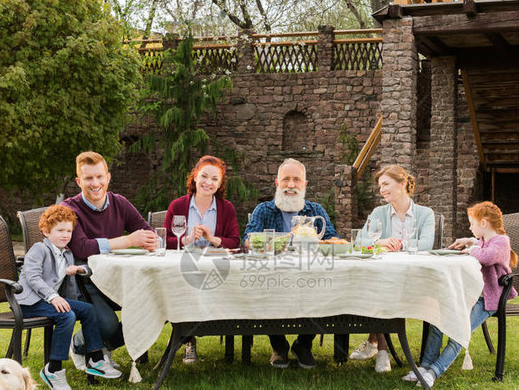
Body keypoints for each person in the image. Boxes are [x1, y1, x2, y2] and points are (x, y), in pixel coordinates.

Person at [405, 200, 519, 388]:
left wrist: (471, 249)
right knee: (437, 323)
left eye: (472, 224)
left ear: (483, 223)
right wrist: (471, 241)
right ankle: (424, 367)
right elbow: (482, 244)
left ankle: (434, 372)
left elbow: (488, 256)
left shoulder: (502, 242)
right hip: (470, 296)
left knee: (458, 333)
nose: (470, 227)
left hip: (487, 301)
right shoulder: (485, 241)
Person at [61, 151, 156, 369]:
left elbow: (147, 230)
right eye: (88, 178)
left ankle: (100, 350)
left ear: (108, 177)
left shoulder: (119, 202)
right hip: (84, 282)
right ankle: (78, 345)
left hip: (118, 278)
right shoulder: (70, 209)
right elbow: (82, 247)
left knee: (152, 311)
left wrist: (152, 240)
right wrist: (128, 240)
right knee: (110, 327)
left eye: (99, 177)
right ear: (79, 181)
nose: (95, 183)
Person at [16, 205, 121, 390]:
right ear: (46, 232)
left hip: (49, 302)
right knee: (67, 315)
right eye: (60, 230)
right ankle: (53, 369)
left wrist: (80, 270)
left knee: (88, 309)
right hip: (29, 303)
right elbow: (32, 277)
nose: (65, 235)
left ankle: (96, 359)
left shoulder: (67, 253)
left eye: (69, 231)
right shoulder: (39, 249)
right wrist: (52, 296)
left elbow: (86, 267)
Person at [243, 158, 338, 369]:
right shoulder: (264, 210)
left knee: (323, 289)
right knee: (265, 288)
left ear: (305, 184)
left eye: (297, 180)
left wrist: (316, 241)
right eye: (286, 179)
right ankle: (279, 346)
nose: (291, 184)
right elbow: (247, 240)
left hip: (309, 275)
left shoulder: (316, 210)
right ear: (277, 183)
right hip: (272, 276)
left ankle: (303, 344)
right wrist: (275, 243)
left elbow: (332, 240)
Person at [349, 165, 435, 373]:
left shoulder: (425, 214)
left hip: (414, 277)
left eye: (386, 184)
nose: (382, 190)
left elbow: (426, 244)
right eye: (380, 186)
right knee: (377, 286)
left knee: (379, 288)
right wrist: (380, 243)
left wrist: (401, 244)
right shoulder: (379, 213)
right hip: (384, 274)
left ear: (403, 183)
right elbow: (360, 240)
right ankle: (382, 352)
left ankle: (374, 343)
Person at [164, 155, 241, 364]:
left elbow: (235, 241)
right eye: (204, 176)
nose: (208, 182)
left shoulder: (227, 208)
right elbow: (165, 240)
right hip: (183, 266)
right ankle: (188, 339)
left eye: (214, 179)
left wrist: (212, 239)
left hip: (216, 267)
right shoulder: (178, 205)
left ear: (220, 183)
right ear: (195, 177)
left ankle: (195, 334)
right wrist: (187, 239)